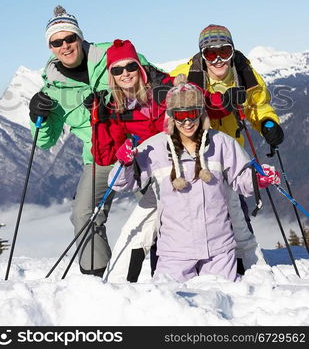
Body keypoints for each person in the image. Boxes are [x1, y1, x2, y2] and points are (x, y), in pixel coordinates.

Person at [88, 38, 235, 281]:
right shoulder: (115, 107)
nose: (125, 73)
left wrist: (228, 100)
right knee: (137, 231)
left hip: (192, 166)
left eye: (131, 66)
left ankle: (246, 269)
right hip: (159, 177)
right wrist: (99, 121)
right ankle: (123, 286)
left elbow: (200, 103)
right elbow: (104, 156)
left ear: (140, 67)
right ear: (111, 75)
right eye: (117, 69)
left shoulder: (164, 88)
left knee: (226, 218)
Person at [107, 78, 280, 282]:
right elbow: (120, 184)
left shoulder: (222, 143)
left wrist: (258, 180)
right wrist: (125, 164)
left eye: (193, 113)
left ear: (202, 114)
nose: (187, 121)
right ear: (171, 117)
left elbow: (241, 180)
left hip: (219, 251)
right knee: (174, 307)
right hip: (175, 253)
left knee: (224, 306)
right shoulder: (154, 148)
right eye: (180, 115)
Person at [28, 6, 155, 277]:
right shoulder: (53, 87)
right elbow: (45, 141)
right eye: (57, 42)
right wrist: (36, 115)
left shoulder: (113, 55)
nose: (65, 46)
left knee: (162, 204)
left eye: (69, 39)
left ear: (79, 37)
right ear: (50, 47)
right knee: (84, 214)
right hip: (99, 156)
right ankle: (96, 277)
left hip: (140, 147)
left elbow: (150, 80)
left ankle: (167, 266)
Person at [170, 24, 284, 273]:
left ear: (233, 51)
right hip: (196, 155)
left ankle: (245, 264)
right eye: (211, 54)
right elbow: (168, 105)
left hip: (232, 152)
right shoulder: (185, 74)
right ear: (202, 55)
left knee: (237, 211)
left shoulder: (245, 74)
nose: (219, 59)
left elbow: (258, 106)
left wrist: (267, 122)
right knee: (198, 210)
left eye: (225, 51)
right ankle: (195, 261)